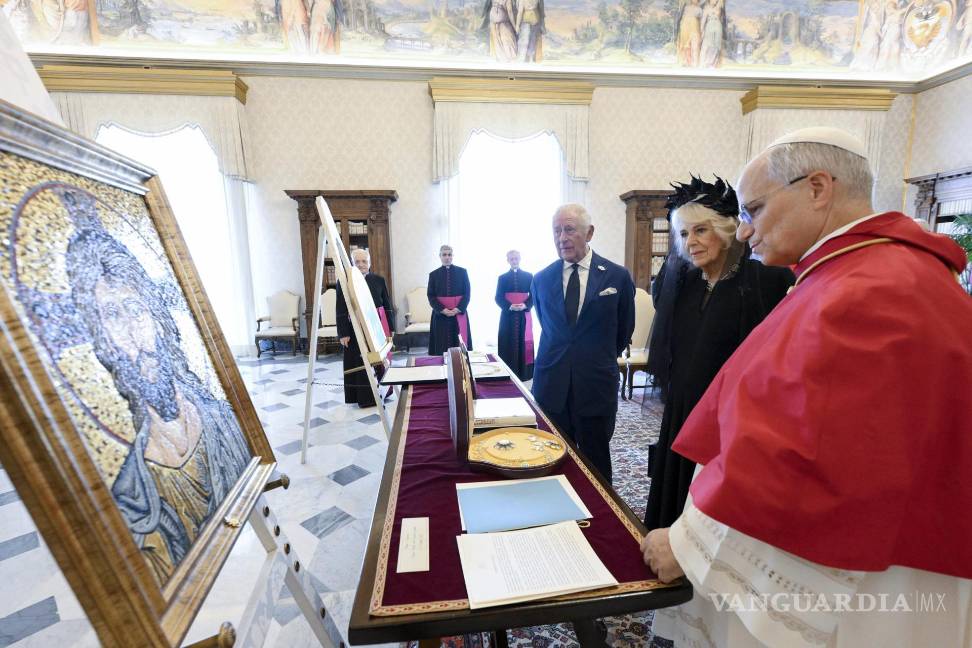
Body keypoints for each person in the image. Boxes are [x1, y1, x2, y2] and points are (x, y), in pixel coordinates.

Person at [642, 127, 972, 647]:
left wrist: (686, 544)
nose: (746, 231)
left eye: (754, 209)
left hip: (865, 577)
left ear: (818, 188)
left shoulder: (869, 290)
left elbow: (797, 447)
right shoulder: (860, 273)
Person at [62, 188, 251, 585]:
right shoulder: (132, 493)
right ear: (102, 341)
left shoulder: (221, 418)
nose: (132, 329)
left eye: (135, 308)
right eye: (111, 315)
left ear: (157, 317)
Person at [644, 176, 793, 533]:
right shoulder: (682, 284)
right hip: (683, 412)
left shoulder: (767, 280)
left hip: (731, 420)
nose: (690, 242)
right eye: (683, 234)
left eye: (700, 230)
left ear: (726, 231)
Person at [531, 204, 635, 484]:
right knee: (550, 460)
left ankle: (602, 520)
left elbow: (624, 330)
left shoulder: (617, 277)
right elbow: (550, 328)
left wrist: (593, 357)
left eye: (569, 229)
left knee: (596, 464)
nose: (562, 237)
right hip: (551, 385)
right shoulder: (540, 280)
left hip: (596, 384)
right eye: (556, 231)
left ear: (589, 233)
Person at [336, 249, 393, 407]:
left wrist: (391, 327)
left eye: (364, 261)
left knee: (380, 359)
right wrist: (343, 333)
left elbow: (386, 305)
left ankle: (384, 392)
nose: (361, 265)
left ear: (370, 263)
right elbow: (340, 308)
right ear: (352, 263)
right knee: (361, 361)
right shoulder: (344, 281)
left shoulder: (379, 280)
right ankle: (365, 398)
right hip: (355, 328)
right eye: (357, 262)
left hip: (377, 327)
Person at [495, 249, 535, 381]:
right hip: (508, 317)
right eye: (511, 259)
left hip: (524, 316)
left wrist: (525, 305)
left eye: (516, 258)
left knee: (524, 343)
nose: (514, 261)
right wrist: (509, 306)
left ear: (520, 258)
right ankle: (508, 373)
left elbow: (534, 295)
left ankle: (524, 373)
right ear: (508, 260)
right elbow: (498, 297)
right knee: (507, 342)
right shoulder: (502, 278)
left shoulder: (529, 276)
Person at [427, 245, 472, 355]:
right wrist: (442, 310)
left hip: (459, 314)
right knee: (440, 346)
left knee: (460, 346)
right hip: (440, 315)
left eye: (449, 254)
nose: (447, 257)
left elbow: (467, 294)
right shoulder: (433, 275)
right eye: (444, 255)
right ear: (440, 256)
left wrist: (458, 309)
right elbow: (431, 296)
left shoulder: (463, 272)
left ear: (452, 256)